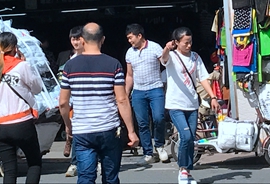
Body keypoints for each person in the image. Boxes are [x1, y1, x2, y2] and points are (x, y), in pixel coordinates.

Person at [59, 23, 139, 184]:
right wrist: (131, 131)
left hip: (82, 131)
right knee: (111, 177)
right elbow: (122, 100)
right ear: (102, 40)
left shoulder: (70, 66)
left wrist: (68, 125)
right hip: (108, 129)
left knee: (86, 177)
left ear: (82, 40)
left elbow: (63, 102)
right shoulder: (113, 64)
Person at [0, 32, 43, 184]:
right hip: (22, 123)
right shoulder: (22, 66)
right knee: (34, 163)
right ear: (15, 48)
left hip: (0, 127)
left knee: (9, 169)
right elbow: (37, 88)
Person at [162, 27, 220, 184]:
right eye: (185, 43)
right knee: (186, 136)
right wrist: (167, 48)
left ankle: (187, 171)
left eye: (190, 42)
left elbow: (203, 78)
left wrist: (213, 97)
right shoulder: (172, 56)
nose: (189, 45)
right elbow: (163, 59)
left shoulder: (195, 57)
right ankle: (182, 169)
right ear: (177, 42)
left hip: (192, 104)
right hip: (175, 105)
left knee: (191, 140)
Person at [124, 23, 168, 164]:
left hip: (155, 88)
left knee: (159, 118)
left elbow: (165, 62)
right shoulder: (130, 53)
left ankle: (160, 146)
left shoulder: (155, 47)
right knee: (142, 123)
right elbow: (129, 75)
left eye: (131, 38)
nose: (130, 41)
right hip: (138, 92)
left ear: (139, 35)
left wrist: (167, 50)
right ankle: (148, 152)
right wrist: (126, 93)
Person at [61, 26, 84, 178]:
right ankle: (75, 163)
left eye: (78, 38)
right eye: (73, 39)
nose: (75, 42)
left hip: (91, 102)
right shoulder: (70, 61)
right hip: (75, 104)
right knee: (75, 134)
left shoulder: (94, 56)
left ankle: (100, 162)